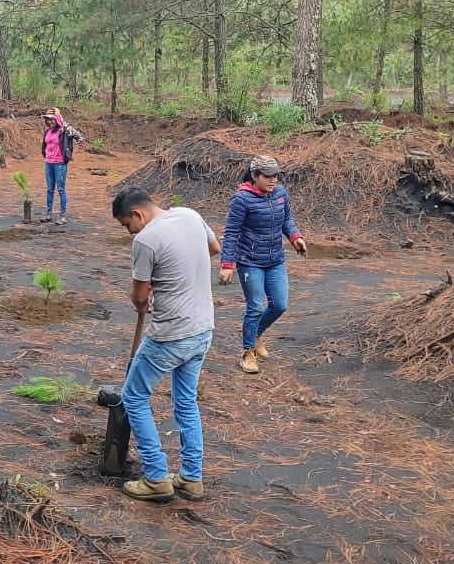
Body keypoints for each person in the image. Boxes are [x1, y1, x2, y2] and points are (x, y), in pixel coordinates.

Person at [111, 187, 220, 503]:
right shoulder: (190, 215)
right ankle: (191, 477)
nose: (127, 231)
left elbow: (140, 297)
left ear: (137, 214)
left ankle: (157, 477)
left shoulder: (145, 240)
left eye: (125, 225)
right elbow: (213, 248)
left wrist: (149, 296)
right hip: (202, 329)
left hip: (170, 335)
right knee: (185, 400)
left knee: (133, 397)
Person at [219, 154, 306, 375]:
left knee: (280, 304)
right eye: (267, 176)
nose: (272, 180)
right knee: (255, 305)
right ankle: (247, 352)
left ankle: (256, 334)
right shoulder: (242, 199)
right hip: (249, 261)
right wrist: (227, 264)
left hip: (275, 259)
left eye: (275, 175)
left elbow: (287, 220)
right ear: (254, 176)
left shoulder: (280, 194)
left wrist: (295, 237)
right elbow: (231, 232)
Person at [39, 107, 84, 226]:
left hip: (60, 164)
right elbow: (45, 145)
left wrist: (72, 153)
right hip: (49, 162)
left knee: (61, 189)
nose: (49, 122)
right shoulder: (47, 131)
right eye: (48, 119)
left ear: (57, 119)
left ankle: (62, 216)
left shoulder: (65, 130)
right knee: (49, 189)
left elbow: (80, 137)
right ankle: (48, 214)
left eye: (52, 119)